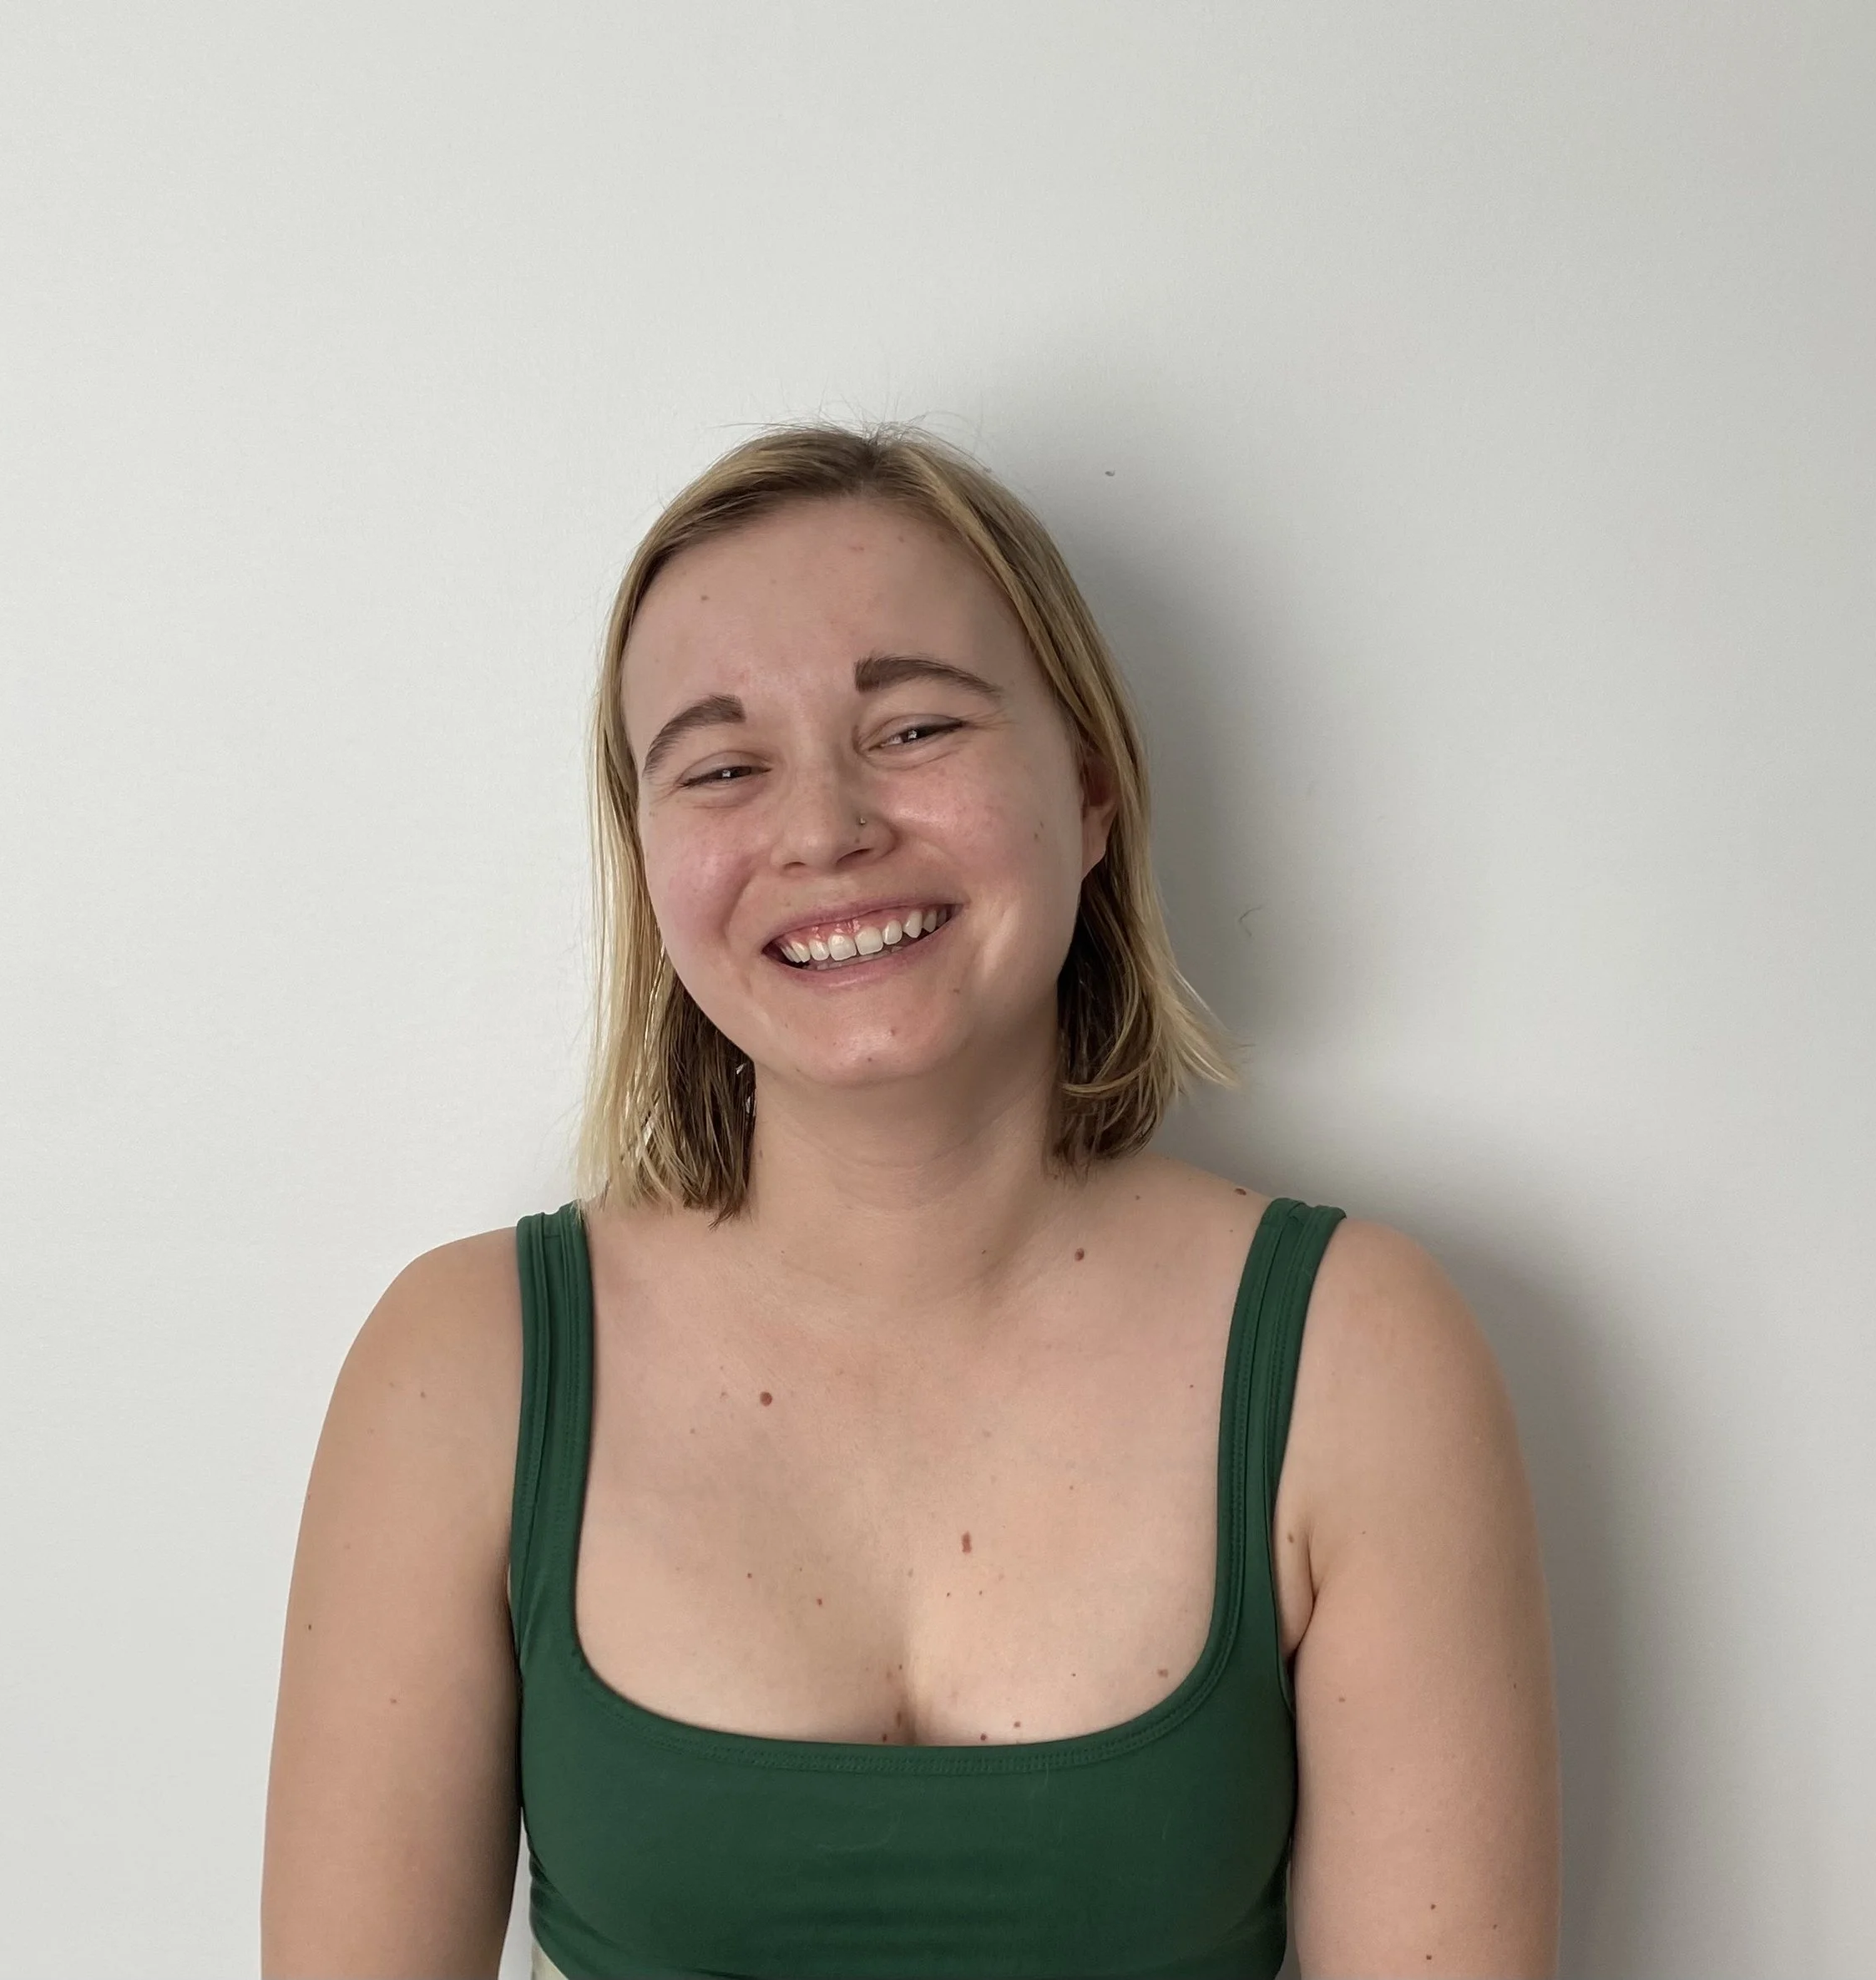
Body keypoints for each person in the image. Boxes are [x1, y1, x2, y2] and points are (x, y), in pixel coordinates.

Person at [261, 424, 1560, 1978]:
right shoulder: (463, 1364)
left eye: (917, 728)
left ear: (1090, 794)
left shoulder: (1358, 1356)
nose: (824, 829)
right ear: (652, 864)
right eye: (724, 765)